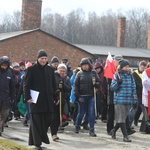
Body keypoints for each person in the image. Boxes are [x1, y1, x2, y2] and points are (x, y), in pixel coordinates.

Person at [24, 49, 57, 150]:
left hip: (48, 100)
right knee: (36, 121)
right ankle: (37, 143)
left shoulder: (50, 70)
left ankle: (40, 137)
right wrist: (27, 97)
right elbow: (26, 85)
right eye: (42, 58)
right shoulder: (31, 70)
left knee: (49, 118)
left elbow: (53, 85)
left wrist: (55, 97)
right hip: (35, 100)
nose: (44, 60)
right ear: (38, 59)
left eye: (45, 58)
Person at [110, 59, 137, 142]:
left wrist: (135, 98)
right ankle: (125, 136)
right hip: (119, 100)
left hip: (128, 100)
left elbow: (133, 87)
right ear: (121, 67)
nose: (127, 68)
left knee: (122, 119)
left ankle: (113, 130)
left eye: (128, 66)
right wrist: (118, 82)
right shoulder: (116, 75)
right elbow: (112, 88)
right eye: (125, 66)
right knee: (122, 119)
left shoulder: (130, 76)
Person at [74, 58, 100, 137]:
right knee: (81, 113)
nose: (85, 66)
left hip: (91, 96)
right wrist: (78, 97)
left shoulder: (93, 73)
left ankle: (91, 129)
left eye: (86, 65)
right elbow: (76, 86)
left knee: (91, 113)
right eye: (83, 65)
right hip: (82, 96)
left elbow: (99, 82)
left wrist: (96, 84)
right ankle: (77, 125)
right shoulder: (79, 74)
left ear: (89, 65)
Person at [50, 63, 71, 141]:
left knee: (58, 117)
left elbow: (69, 89)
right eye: (60, 70)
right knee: (53, 117)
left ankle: (55, 132)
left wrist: (63, 85)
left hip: (62, 100)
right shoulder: (53, 77)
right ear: (57, 70)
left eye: (63, 71)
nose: (62, 72)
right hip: (54, 99)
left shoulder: (67, 78)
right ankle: (52, 132)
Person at [106, 55, 123, 135]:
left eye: (120, 61)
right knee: (111, 114)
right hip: (112, 95)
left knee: (121, 114)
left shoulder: (121, 71)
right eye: (117, 61)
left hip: (120, 96)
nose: (119, 63)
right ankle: (110, 129)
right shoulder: (111, 70)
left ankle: (121, 129)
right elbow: (110, 84)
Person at [0, 56, 15, 136]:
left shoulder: (10, 73)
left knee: (4, 114)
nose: (4, 67)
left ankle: (1, 126)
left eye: (5, 65)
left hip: (6, 97)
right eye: (3, 65)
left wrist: (12, 97)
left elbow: (12, 86)